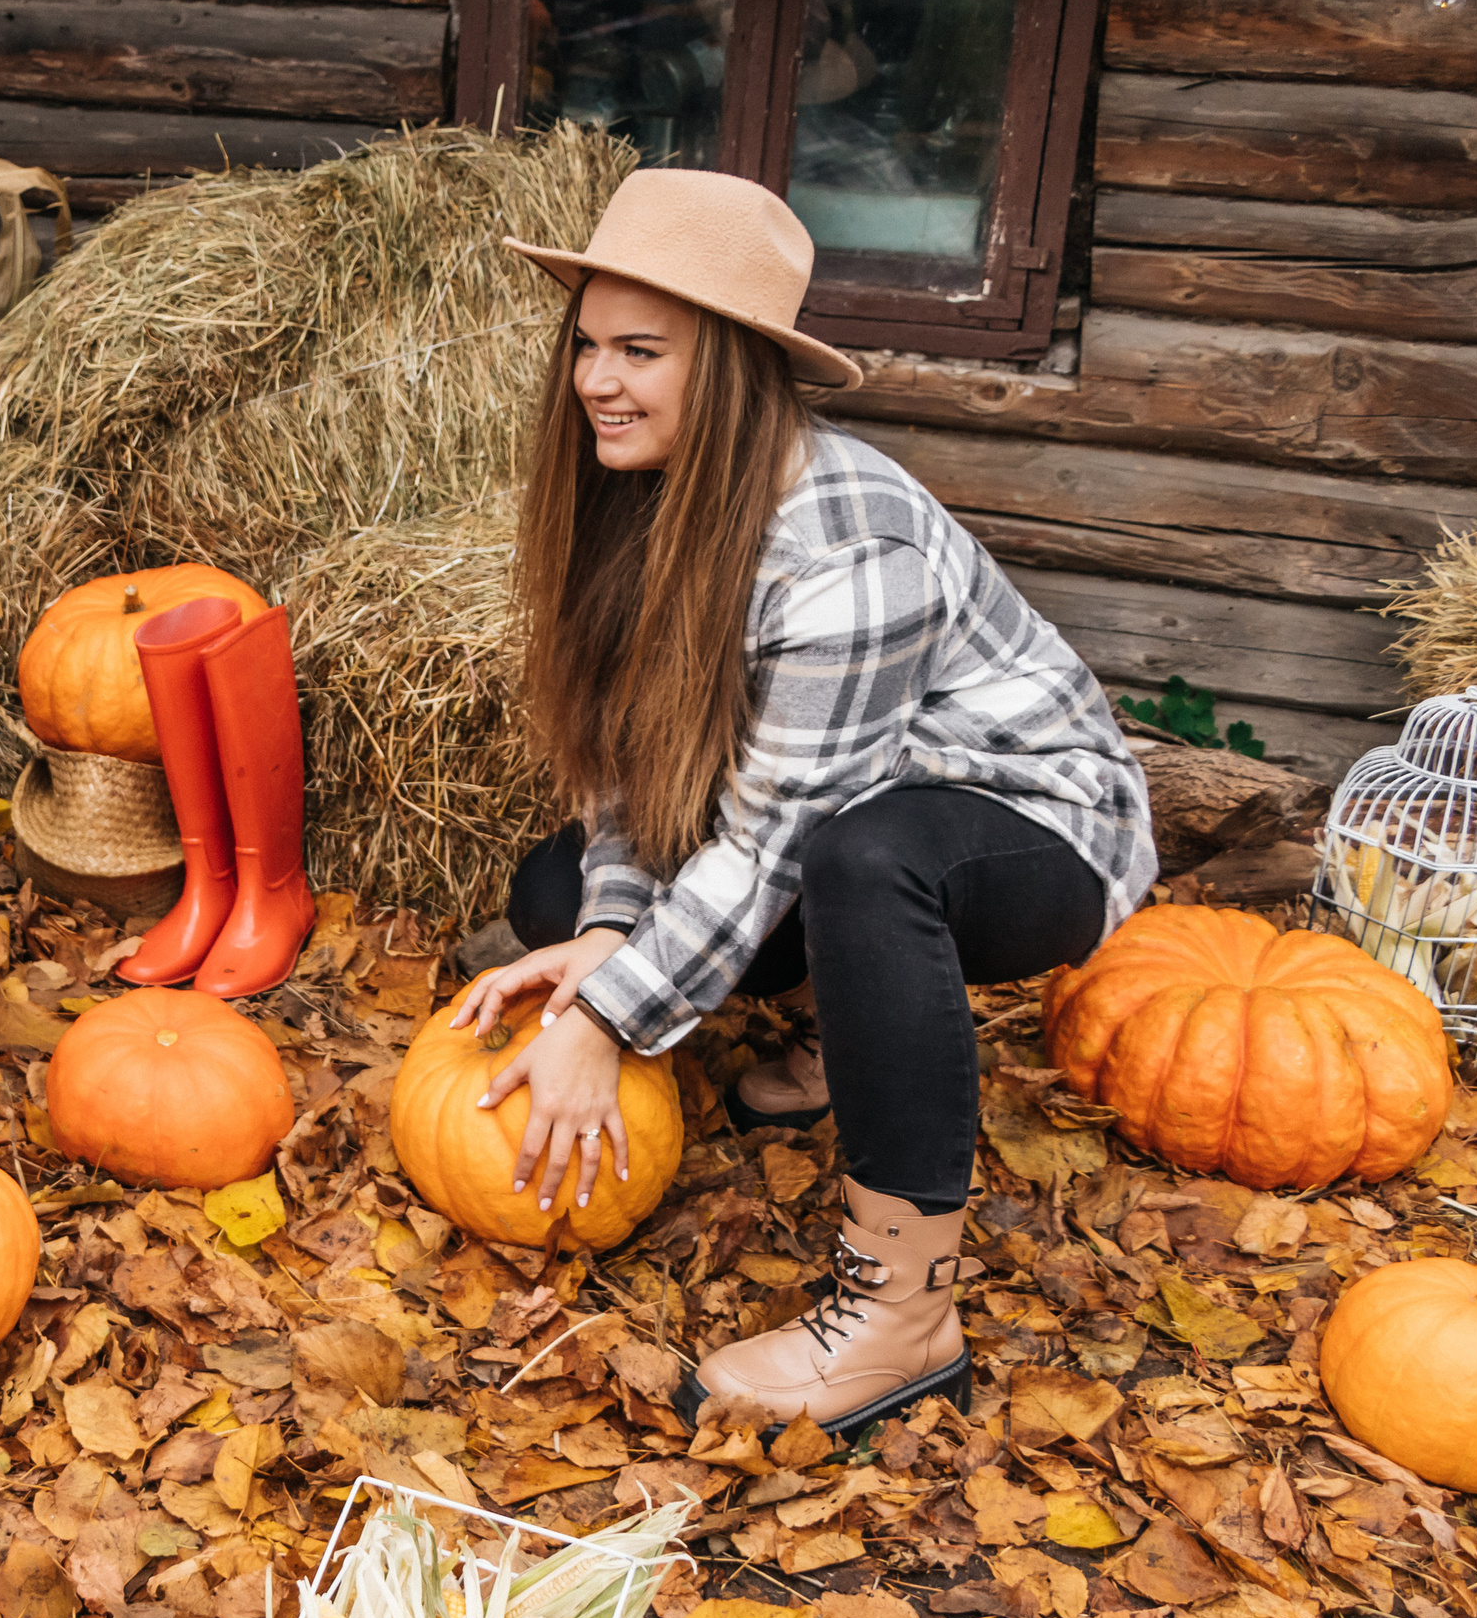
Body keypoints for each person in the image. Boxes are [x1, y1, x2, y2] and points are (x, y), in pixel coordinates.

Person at [457, 170, 1153, 1435]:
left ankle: (901, 1315)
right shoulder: (642, 498)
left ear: (724, 367)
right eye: (588, 347)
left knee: (866, 860)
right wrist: (610, 935)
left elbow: (779, 837)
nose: (595, 382)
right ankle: (854, 1015)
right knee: (557, 889)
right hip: (834, 814)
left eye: (639, 352)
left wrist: (606, 1021)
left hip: (1027, 824)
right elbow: (630, 773)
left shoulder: (846, 548)